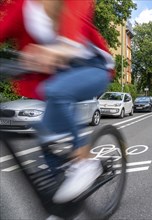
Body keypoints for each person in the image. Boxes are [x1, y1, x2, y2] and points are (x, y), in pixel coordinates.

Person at [0, 0, 115, 203]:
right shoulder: (21, 7)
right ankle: (62, 206)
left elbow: (72, 34)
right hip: (60, 76)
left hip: (94, 68)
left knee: (55, 90)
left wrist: (54, 52)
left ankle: (85, 163)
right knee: (45, 133)